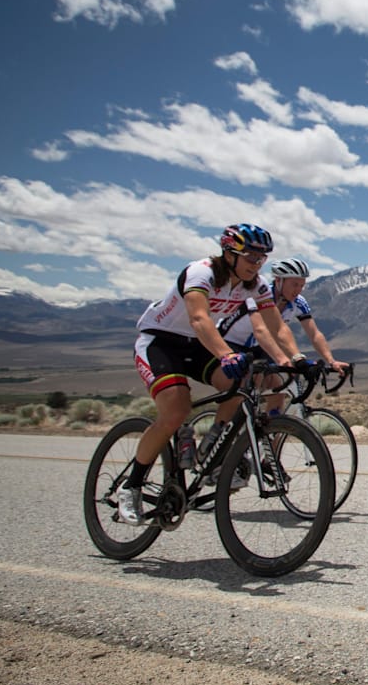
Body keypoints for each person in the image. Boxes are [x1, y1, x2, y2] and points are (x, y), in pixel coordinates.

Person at [121, 224, 294, 525]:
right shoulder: (201, 273)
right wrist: (226, 354)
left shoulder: (257, 284)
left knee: (242, 381)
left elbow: (276, 325)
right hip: (161, 342)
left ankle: (213, 446)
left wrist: (297, 359)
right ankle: (131, 485)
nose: (257, 264)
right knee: (175, 410)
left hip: (198, 345)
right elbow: (199, 319)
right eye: (251, 257)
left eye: (262, 259)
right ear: (229, 253)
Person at [210, 257, 352, 446]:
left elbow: (314, 333)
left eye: (302, 285)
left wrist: (331, 360)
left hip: (260, 348)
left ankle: (268, 454)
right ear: (278, 281)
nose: (298, 290)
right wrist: (286, 359)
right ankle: (218, 434)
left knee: (278, 392)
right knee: (246, 385)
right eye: (294, 284)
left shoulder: (299, 303)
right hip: (233, 344)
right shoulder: (258, 295)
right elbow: (261, 331)